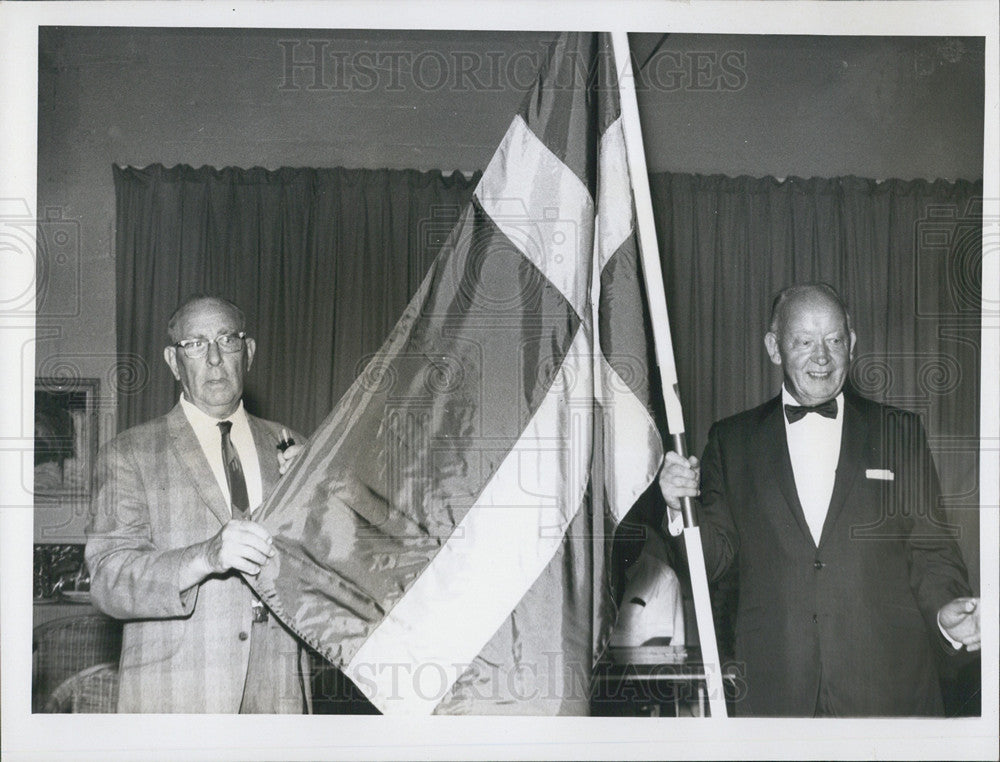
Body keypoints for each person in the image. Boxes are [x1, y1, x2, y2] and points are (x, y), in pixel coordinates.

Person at [659, 283, 980, 717]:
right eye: (805, 342)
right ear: (774, 348)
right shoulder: (732, 442)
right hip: (774, 695)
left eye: (833, 340)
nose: (822, 357)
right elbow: (712, 561)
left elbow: (932, 552)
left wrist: (947, 612)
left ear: (851, 344)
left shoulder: (899, 434)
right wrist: (681, 508)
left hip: (889, 692)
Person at [86, 295, 310, 713]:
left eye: (228, 340)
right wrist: (205, 556)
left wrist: (318, 506)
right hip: (177, 699)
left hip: (279, 694)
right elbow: (108, 580)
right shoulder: (128, 453)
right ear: (174, 361)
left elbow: (328, 572)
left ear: (249, 353)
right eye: (195, 344)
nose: (213, 358)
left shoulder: (293, 444)